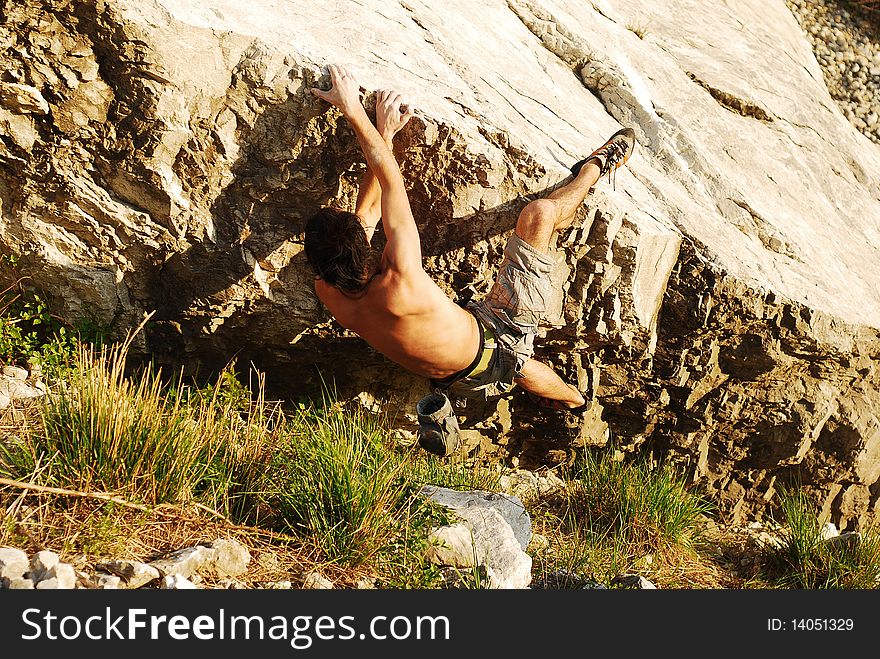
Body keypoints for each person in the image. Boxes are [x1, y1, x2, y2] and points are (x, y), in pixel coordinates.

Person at [306, 64, 634, 442]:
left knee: (517, 367)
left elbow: (366, 213)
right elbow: (389, 178)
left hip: (454, 374)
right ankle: (594, 169)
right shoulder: (401, 279)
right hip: (497, 338)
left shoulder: (328, 288)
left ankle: (574, 405)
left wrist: (386, 133)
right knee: (539, 215)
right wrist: (353, 110)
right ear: (362, 248)